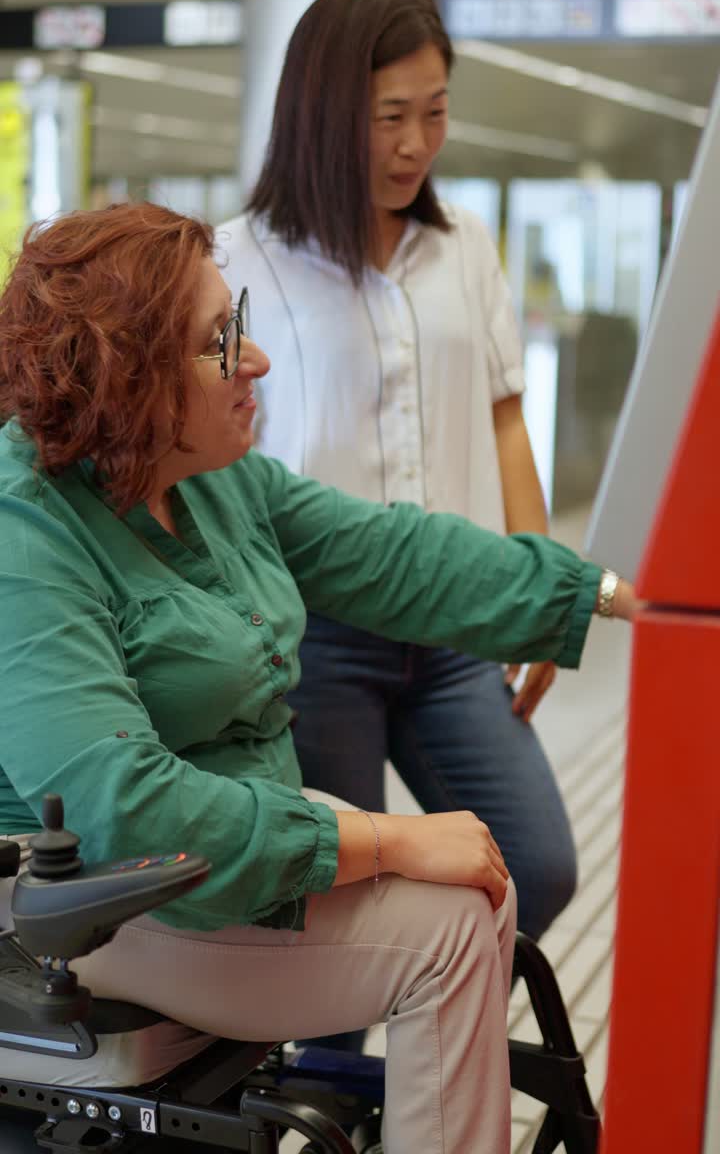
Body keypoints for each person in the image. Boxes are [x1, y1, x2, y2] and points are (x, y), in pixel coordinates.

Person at [0, 203, 635, 1154]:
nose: (255, 362)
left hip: (221, 848)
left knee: (483, 887)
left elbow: (396, 556)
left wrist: (618, 595)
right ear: (126, 379)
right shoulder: (26, 533)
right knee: (450, 932)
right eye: (220, 343)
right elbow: (122, 807)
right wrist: (384, 838)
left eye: (240, 324)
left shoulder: (212, 480)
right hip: (95, 904)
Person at [218, 0, 577, 1007]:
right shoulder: (238, 262)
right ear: (324, 112)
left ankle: (418, 1007)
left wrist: (535, 588)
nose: (417, 144)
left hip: (453, 624)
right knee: (328, 907)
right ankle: (338, 1071)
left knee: (538, 861)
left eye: (435, 112)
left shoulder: (462, 246)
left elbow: (506, 415)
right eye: (389, 117)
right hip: (315, 635)